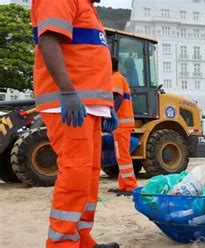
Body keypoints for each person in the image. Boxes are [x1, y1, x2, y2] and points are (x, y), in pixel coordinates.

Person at [31, 0, 119, 247]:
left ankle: (81, 238)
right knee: (75, 172)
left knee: (89, 176)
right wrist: (67, 91)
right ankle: (61, 243)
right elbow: (48, 40)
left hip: (89, 104)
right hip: (69, 103)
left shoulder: (87, 7)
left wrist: (108, 105)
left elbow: (89, 59)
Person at [107, 57, 138, 196]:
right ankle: (124, 185)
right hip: (122, 124)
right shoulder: (118, 78)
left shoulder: (115, 78)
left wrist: (110, 114)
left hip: (121, 124)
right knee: (121, 156)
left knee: (123, 156)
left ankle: (130, 186)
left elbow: (117, 97)